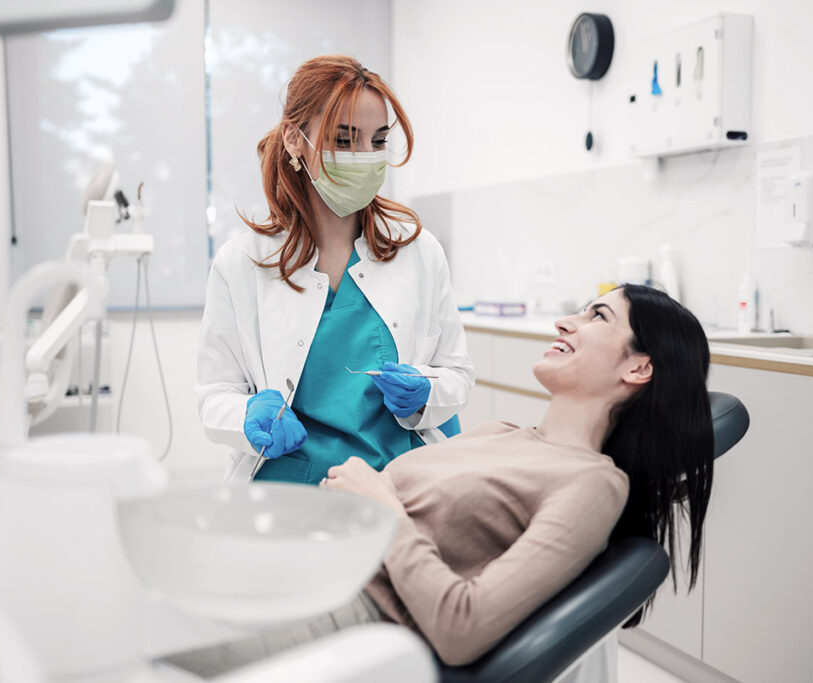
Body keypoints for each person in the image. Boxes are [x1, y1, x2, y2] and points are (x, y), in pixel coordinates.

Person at [169, 284, 714, 675]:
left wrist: (381, 506)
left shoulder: (593, 483)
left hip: (350, 614)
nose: (566, 322)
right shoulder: (500, 433)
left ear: (638, 367)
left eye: (597, 316)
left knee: (120, 642)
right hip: (302, 568)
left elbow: (463, 629)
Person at [197, 55, 474, 485]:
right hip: (291, 481)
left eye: (377, 141)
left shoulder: (419, 251)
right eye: (344, 141)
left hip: (400, 479)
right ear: (294, 139)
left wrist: (425, 396)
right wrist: (247, 416)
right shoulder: (242, 263)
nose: (365, 158)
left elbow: (457, 375)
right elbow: (215, 396)